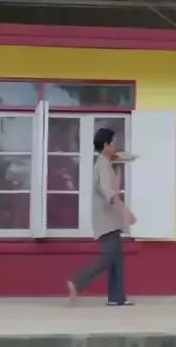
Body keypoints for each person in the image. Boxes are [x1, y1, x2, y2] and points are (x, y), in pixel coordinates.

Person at [67, 128, 137, 306]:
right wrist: (125, 211)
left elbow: (117, 158)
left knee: (117, 258)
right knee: (110, 257)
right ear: (106, 145)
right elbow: (108, 192)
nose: (116, 145)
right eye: (113, 142)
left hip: (110, 218)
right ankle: (78, 282)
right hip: (106, 219)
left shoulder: (106, 161)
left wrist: (124, 158)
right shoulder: (103, 165)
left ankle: (117, 297)